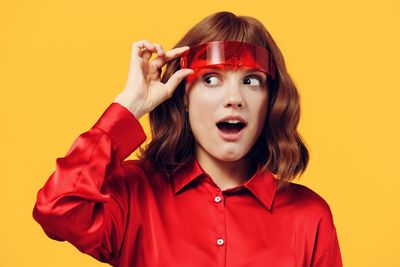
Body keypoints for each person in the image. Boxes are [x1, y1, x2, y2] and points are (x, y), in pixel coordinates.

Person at [32, 11, 343, 267]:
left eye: (251, 81)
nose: (234, 98)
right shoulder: (133, 195)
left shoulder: (309, 216)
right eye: (210, 79)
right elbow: (57, 209)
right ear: (184, 97)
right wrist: (129, 105)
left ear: (270, 100)